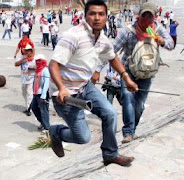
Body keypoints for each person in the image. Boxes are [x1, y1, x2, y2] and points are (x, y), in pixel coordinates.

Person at [49, 0, 137, 166]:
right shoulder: (73, 36)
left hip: (85, 87)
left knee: (110, 113)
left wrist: (126, 77)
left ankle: (110, 154)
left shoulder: (102, 39)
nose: (97, 18)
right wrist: (61, 88)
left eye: (101, 14)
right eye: (92, 13)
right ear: (85, 16)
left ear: (106, 17)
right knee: (82, 138)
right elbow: (53, 65)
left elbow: (112, 57)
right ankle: (56, 132)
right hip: (66, 96)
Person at [92, 2, 174, 144]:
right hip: (128, 72)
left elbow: (171, 44)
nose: (146, 20)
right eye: (144, 16)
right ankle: (128, 133)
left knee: (139, 105)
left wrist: (161, 41)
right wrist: (98, 69)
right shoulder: (128, 31)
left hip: (147, 73)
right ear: (138, 16)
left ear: (154, 18)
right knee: (128, 100)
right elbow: (111, 51)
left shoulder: (157, 30)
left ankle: (132, 129)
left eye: (150, 17)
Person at [15, 44, 35, 116]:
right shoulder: (22, 57)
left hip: (31, 78)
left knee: (30, 93)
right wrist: (23, 60)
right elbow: (16, 64)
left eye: (28, 51)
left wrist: (31, 68)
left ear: (31, 51)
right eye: (26, 51)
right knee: (24, 93)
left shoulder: (34, 59)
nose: (27, 52)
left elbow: (39, 67)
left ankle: (30, 109)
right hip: (23, 78)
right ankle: (27, 107)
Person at [31, 54, 50, 132]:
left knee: (43, 110)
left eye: (38, 60)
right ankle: (42, 122)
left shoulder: (45, 70)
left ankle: (47, 128)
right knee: (34, 107)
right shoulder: (37, 69)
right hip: (36, 93)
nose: (37, 62)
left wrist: (43, 94)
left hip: (42, 94)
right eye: (36, 61)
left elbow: (46, 83)